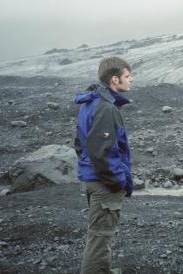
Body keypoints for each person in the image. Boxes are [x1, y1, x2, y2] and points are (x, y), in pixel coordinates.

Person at [74, 57, 134, 274]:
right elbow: (103, 152)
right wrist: (118, 181)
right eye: (127, 76)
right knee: (100, 237)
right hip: (103, 183)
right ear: (115, 79)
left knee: (98, 234)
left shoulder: (90, 102)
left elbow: (80, 143)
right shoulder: (106, 108)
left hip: (92, 178)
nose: (131, 80)